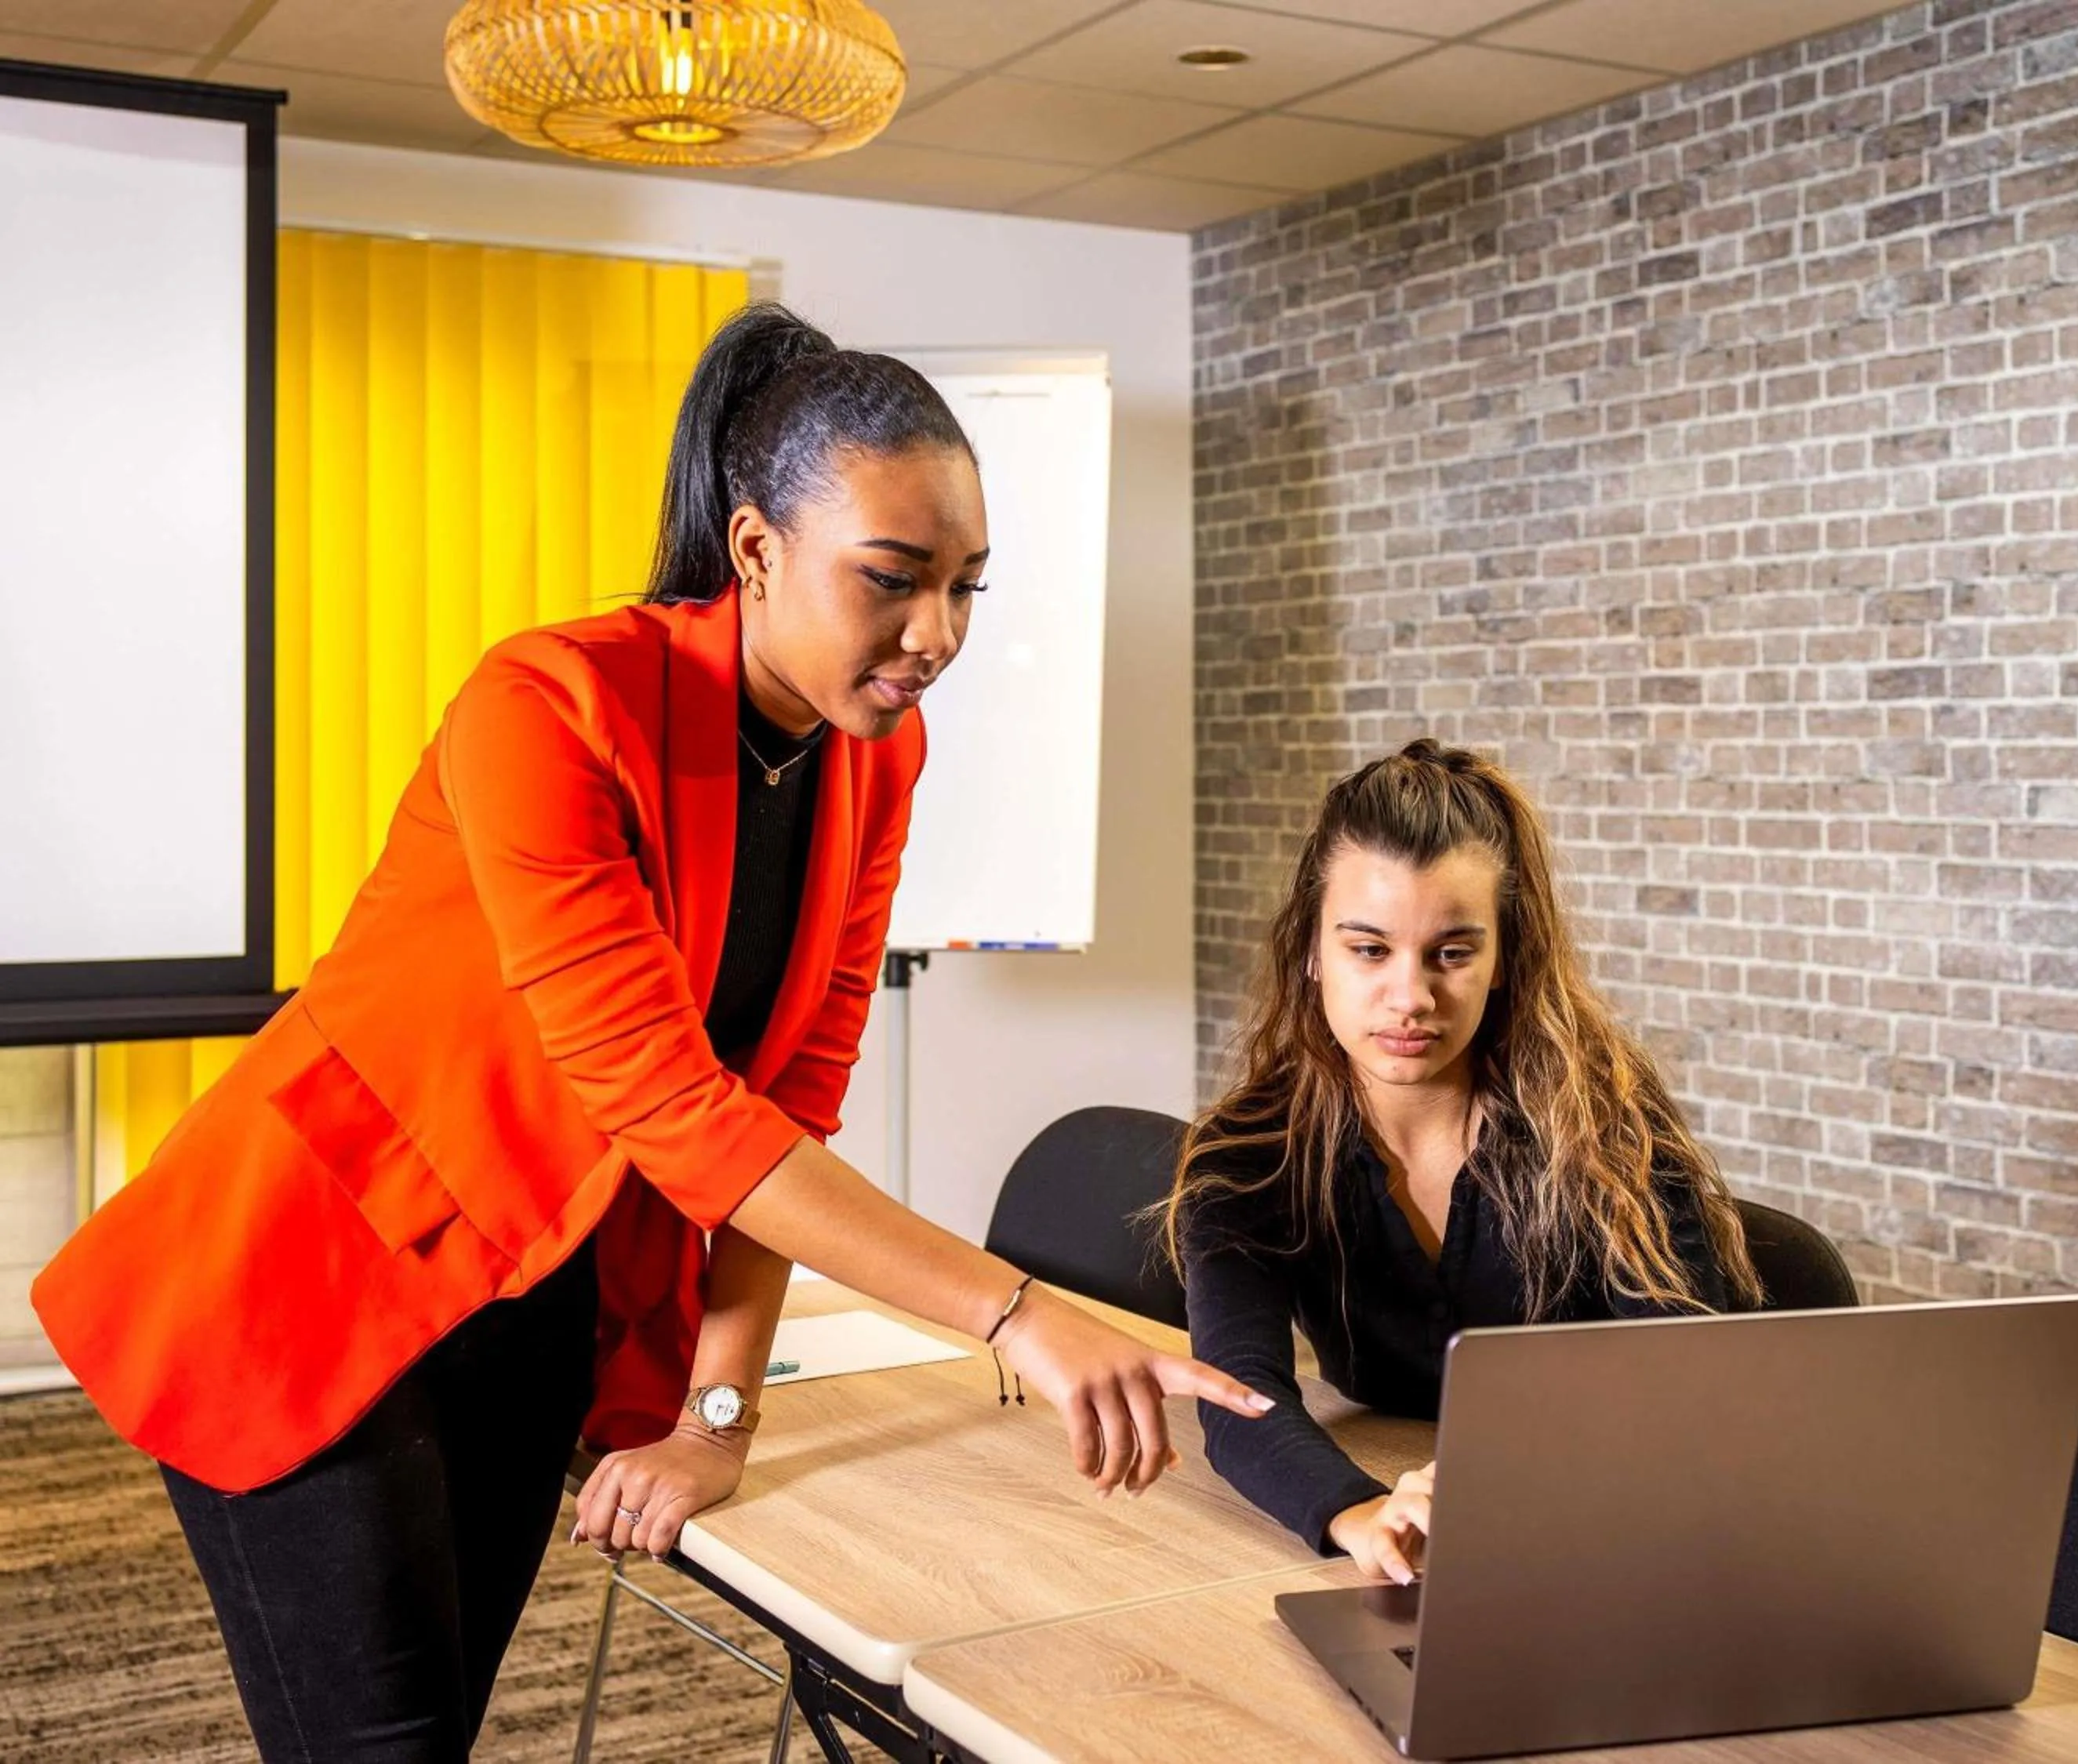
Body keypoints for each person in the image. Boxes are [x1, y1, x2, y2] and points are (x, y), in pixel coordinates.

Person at [34, 303, 1268, 1762]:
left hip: (535, 1297)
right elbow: (674, 1106)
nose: (935, 635)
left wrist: (716, 1420)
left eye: (965, 588)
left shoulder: (876, 758)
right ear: (756, 550)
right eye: (892, 579)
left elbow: (784, 1109)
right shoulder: (548, 704)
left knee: (441, 1723)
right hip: (319, 1274)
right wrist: (1016, 1314)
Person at [1164, 739, 1758, 1586]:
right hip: (1423, 1535)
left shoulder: (1605, 1126)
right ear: (1312, 952)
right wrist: (1358, 1514)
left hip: (1617, 1533)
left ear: (1504, 957)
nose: (1411, 997)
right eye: (1370, 950)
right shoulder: (1248, 1156)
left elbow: (1684, 1378)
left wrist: (1505, 1476)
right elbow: (1237, 1393)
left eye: (1451, 953)